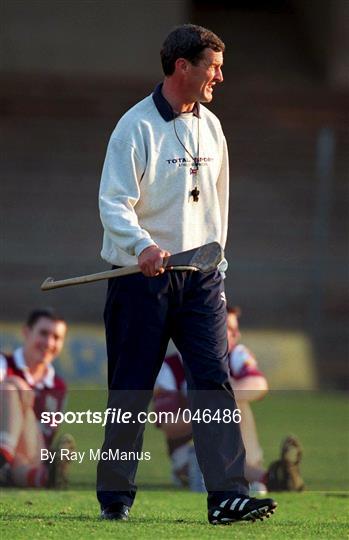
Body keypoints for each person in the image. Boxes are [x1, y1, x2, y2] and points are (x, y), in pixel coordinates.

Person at [97, 24, 277, 524]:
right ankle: (115, 497)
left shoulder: (213, 127)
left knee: (214, 382)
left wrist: (216, 262)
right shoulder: (134, 127)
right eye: (213, 66)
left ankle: (227, 496)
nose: (220, 75)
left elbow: (217, 204)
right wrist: (143, 246)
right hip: (139, 278)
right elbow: (114, 203)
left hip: (200, 279)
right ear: (183, 67)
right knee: (130, 389)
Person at [154, 306, 304, 495]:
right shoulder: (171, 367)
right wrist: (209, 412)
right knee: (225, 403)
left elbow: (258, 384)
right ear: (208, 326)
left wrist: (218, 400)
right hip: (190, 453)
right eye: (229, 328)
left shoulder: (235, 354)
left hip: (235, 452)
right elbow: (169, 424)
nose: (237, 334)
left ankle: (260, 477)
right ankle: (268, 478)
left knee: (235, 401)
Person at [0, 308, 75, 488]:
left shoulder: (59, 387)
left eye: (56, 337)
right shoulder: (4, 363)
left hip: (29, 452)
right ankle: (37, 475)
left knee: (24, 458)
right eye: (43, 333)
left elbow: (45, 434)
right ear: (26, 332)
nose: (49, 342)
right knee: (10, 389)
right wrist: (15, 381)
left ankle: (35, 474)